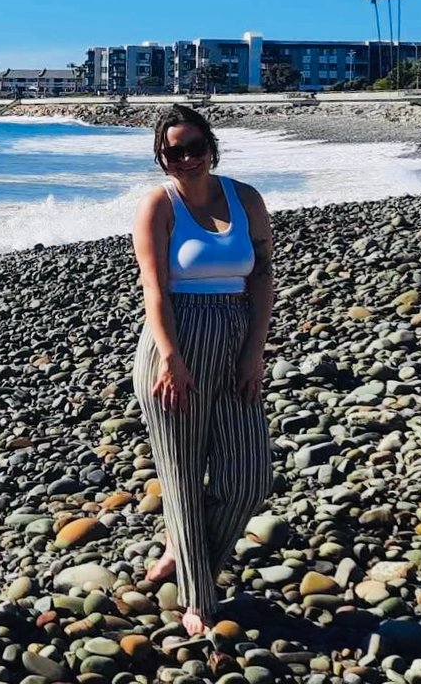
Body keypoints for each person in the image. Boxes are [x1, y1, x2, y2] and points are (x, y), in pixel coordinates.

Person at [130, 104, 274, 635]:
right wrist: (171, 359)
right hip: (176, 345)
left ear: (211, 146)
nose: (187, 157)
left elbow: (261, 278)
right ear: (161, 158)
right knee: (183, 476)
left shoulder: (247, 198)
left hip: (236, 334)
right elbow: (155, 290)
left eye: (195, 146)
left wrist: (254, 351)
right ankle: (197, 599)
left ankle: (183, 554)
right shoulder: (158, 206)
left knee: (249, 479)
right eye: (175, 151)